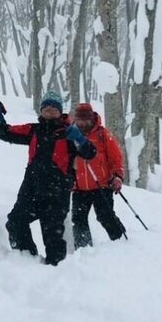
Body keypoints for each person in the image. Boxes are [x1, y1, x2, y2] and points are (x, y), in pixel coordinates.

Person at [0, 91, 97, 265]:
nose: (50, 110)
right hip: (31, 190)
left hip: (57, 195)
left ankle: (56, 272)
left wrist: (79, 139)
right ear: (41, 110)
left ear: (60, 111)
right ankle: (27, 261)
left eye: (54, 107)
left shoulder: (69, 133)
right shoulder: (33, 130)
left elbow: (90, 152)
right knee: (15, 222)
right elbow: (5, 132)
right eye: (46, 107)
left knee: (53, 239)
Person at [71, 102, 126, 249]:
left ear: (91, 119)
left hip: (102, 185)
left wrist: (117, 176)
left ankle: (121, 241)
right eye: (79, 120)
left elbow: (116, 158)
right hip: (79, 187)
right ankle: (83, 249)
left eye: (85, 120)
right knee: (78, 219)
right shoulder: (70, 135)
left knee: (105, 216)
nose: (82, 124)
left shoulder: (103, 134)